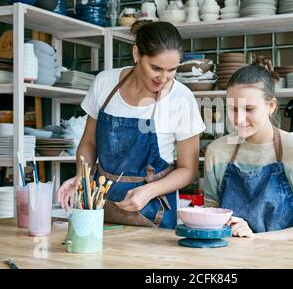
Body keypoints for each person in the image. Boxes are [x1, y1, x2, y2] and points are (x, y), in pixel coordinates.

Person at [57, 21, 206, 229]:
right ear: (137, 53)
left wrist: (149, 191)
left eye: (172, 70)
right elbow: (89, 143)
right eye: (155, 68)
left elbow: (188, 169)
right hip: (100, 209)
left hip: (154, 214)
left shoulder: (181, 98)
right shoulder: (105, 83)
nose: (163, 78)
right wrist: (81, 178)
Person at [204, 56, 293, 243]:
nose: (239, 119)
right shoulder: (217, 152)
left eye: (248, 109)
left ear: (271, 106)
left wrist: (255, 238)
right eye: (233, 109)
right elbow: (211, 215)